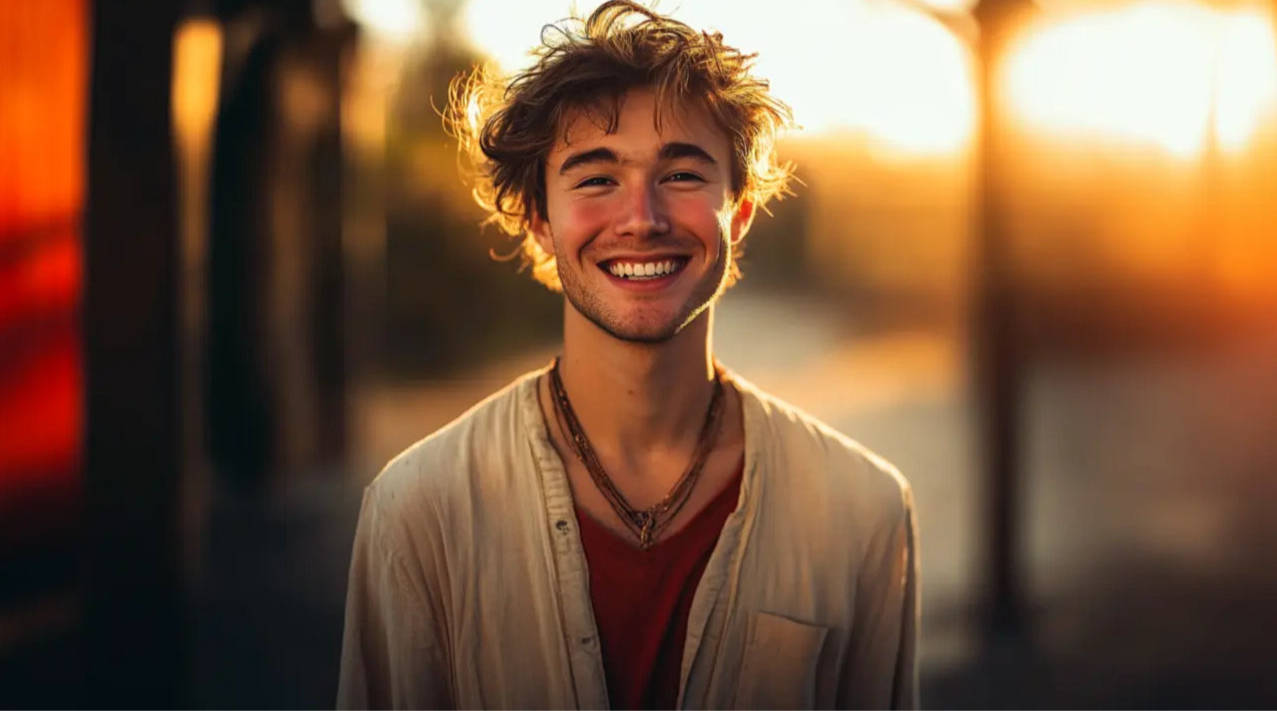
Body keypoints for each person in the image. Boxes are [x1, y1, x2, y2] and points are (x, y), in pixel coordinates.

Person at [336, 2, 918, 709]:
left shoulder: (863, 509)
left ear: (736, 214)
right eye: (595, 178)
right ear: (539, 222)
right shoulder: (417, 510)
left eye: (680, 174)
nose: (641, 218)